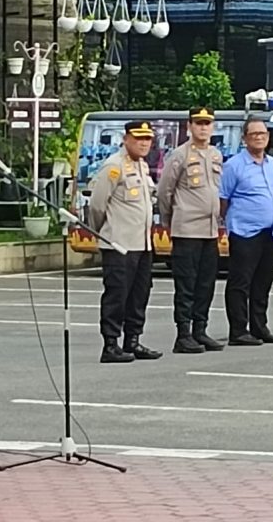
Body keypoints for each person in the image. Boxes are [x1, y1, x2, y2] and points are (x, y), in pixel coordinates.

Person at [88, 120, 164, 364]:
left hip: (142, 244)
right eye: (138, 138)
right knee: (117, 295)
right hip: (119, 243)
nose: (144, 143)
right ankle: (110, 344)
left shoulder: (142, 166)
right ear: (126, 138)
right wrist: (103, 233)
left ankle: (132, 340)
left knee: (139, 294)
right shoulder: (114, 166)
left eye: (148, 139)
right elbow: (97, 205)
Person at [156, 106, 225, 354]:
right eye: (198, 123)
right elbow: (165, 191)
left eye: (207, 123)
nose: (203, 127)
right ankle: (183, 334)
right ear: (190, 126)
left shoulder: (216, 155)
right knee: (186, 284)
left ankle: (200, 330)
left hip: (209, 230)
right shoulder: (179, 155)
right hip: (186, 230)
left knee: (206, 284)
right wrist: (170, 220)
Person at [219, 115, 273, 346]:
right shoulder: (234, 166)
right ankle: (238, 330)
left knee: (263, 282)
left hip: (271, 232)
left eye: (263, 134)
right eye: (254, 134)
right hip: (245, 232)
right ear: (244, 138)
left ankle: (260, 327)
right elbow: (223, 199)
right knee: (241, 282)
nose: (259, 138)